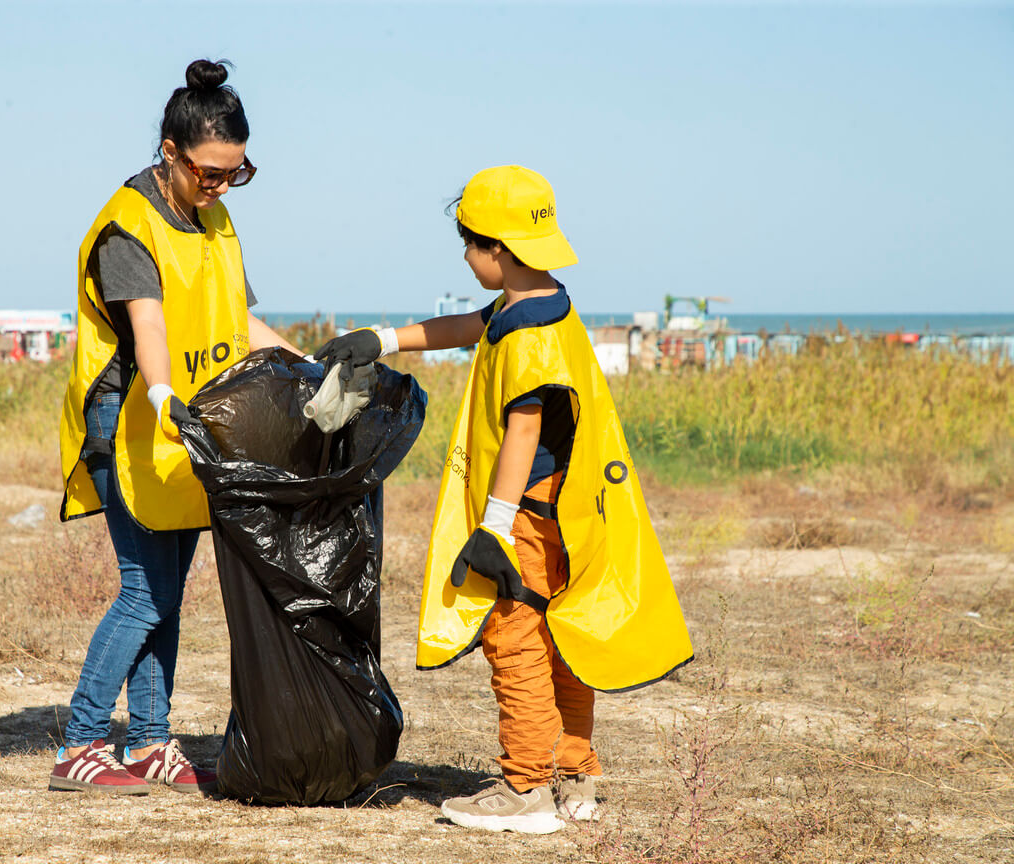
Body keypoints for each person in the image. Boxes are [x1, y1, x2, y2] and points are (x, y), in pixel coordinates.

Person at [316, 166, 694, 833]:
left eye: (469, 242)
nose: (465, 255)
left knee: (513, 638)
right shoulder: (544, 302)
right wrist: (382, 340)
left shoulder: (524, 335)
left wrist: (493, 526)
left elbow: (521, 429)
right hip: (566, 508)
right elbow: (469, 325)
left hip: (524, 513)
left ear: (501, 248)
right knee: (562, 638)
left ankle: (525, 788)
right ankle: (576, 774)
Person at [54, 59, 306, 795]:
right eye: (210, 172)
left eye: (237, 173)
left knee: (169, 586)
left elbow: (240, 320)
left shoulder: (216, 219)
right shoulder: (127, 227)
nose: (222, 187)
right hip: (130, 417)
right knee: (145, 590)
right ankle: (81, 744)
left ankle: (153, 743)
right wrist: (164, 397)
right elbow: (149, 326)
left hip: (191, 423)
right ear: (170, 151)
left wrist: (312, 367)